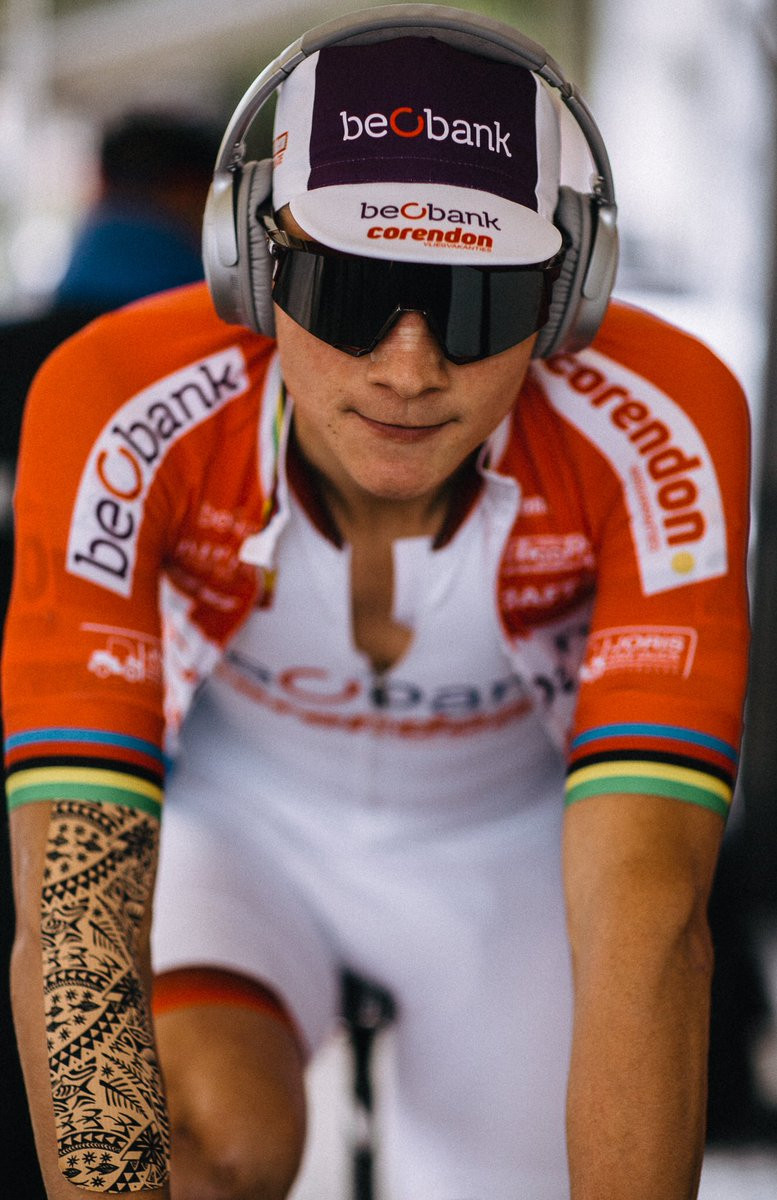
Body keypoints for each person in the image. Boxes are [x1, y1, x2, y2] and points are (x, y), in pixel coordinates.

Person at [2, 6, 751, 1199]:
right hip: (245, 837)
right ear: (253, 268)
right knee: (210, 1144)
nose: (409, 368)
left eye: (476, 299)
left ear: (566, 297)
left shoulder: (663, 410)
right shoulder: (116, 399)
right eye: (348, 288)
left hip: (519, 859)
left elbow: (652, 914)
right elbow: (74, 925)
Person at [0, 108, 220, 1200]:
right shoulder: (216, 381)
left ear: (96, 188)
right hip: (127, 739)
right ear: (200, 203)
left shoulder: (16, 345)